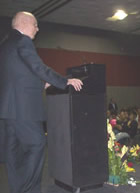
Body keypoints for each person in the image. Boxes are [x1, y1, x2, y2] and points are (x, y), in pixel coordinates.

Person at [0, 12, 83, 193]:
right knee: (37, 143)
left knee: (13, 154)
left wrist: (39, 84)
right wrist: (63, 81)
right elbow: (38, 66)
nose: (37, 29)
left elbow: (18, 75)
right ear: (25, 23)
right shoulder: (23, 41)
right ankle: (28, 189)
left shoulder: (5, 44)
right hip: (24, 110)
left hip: (8, 110)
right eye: (35, 25)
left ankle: (18, 189)